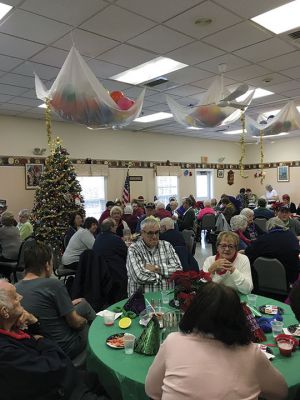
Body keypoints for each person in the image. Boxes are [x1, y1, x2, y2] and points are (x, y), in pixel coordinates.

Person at [145, 282, 287, 400]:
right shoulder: (252, 353)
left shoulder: (172, 342)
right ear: (238, 316)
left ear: (194, 310)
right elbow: (280, 393)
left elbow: (152, 391)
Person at [0, 279, 107, 400]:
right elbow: (53, 367)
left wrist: (34, 322)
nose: (20, 297)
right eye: (15, 297)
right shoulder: (5, 352)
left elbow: (51, 347)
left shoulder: (15, 326)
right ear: (5, 312)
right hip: (57, 390)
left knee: (102, 379)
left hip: (63, 376)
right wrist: (41, 341)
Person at [16, 242, 96, 359]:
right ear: (47, 265)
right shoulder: (53, 285)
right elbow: (76, 323)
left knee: (82, 304)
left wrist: (68, 305)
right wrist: (85, 322)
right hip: (66, 347)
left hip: (39, 346)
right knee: (87, 322)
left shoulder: (15, 289)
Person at [126, 217, 182, 296]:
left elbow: (178, 270)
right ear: (142, 233)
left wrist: (156, 268)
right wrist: (165, 277)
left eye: (157, 232)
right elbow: (139, 276)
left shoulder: (167, 245)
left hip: (166, 298)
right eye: (150, 233)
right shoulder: (134, 249)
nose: (154, 236)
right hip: (141, 301)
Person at [245, 217, 300, 285]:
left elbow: (249, 250)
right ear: (282, 225)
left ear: (268, 227)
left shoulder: (264, 239)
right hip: (291, 276)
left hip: (265, 277)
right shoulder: (291, 235)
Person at [93, 218, 128, 301]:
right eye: (115, 226)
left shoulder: (98, 238)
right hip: (113, 270)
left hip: (99, 269)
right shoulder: (115, 239)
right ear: (111, 227)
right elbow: (126, 253)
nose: (116, 228)